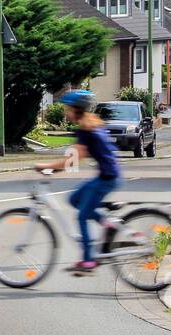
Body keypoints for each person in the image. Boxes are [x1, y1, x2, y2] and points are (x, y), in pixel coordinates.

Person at [35, 89, 120, 274]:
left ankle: (88, 260)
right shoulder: (90, 123)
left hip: (107, 178)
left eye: (67, 109)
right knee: (74, 199)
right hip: (107, 175)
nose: (66, 112)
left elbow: (73, 159)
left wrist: (47, 166)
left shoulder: (86, 129)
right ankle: (109, 224)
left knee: (82, 215)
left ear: (76, 110)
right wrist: (54, 167)